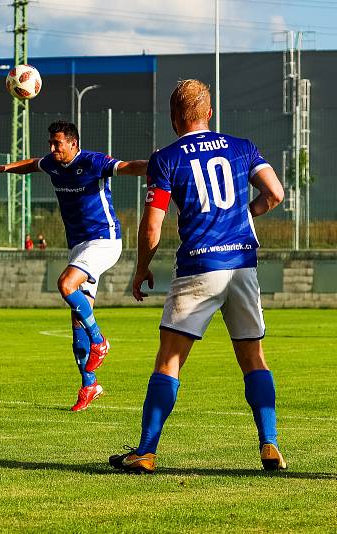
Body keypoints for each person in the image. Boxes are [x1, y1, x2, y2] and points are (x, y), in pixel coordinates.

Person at [108, 79, 286, 474]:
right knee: (254, 358)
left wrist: (140, 268)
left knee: (169, 360)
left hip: (198, 268)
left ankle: (147, 451)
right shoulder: (242, 147)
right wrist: (245, 214)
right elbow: (275, 193)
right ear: (209, 114)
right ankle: (270, 443)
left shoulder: (166, 158)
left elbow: (152, 226)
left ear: (174, 119)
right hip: (242, 265)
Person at [0, 121, 147, 411]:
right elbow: (32, 164)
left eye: (57, 143)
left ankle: (100, 341)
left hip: (104, 240)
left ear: (73, 143)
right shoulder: (53, 164)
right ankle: (89, 385)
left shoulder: (93, 161)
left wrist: (155, 165)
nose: (52, 148)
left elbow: (129, 166)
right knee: (77, 327)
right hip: (79, 247)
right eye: (51, 143)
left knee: (66, 284)